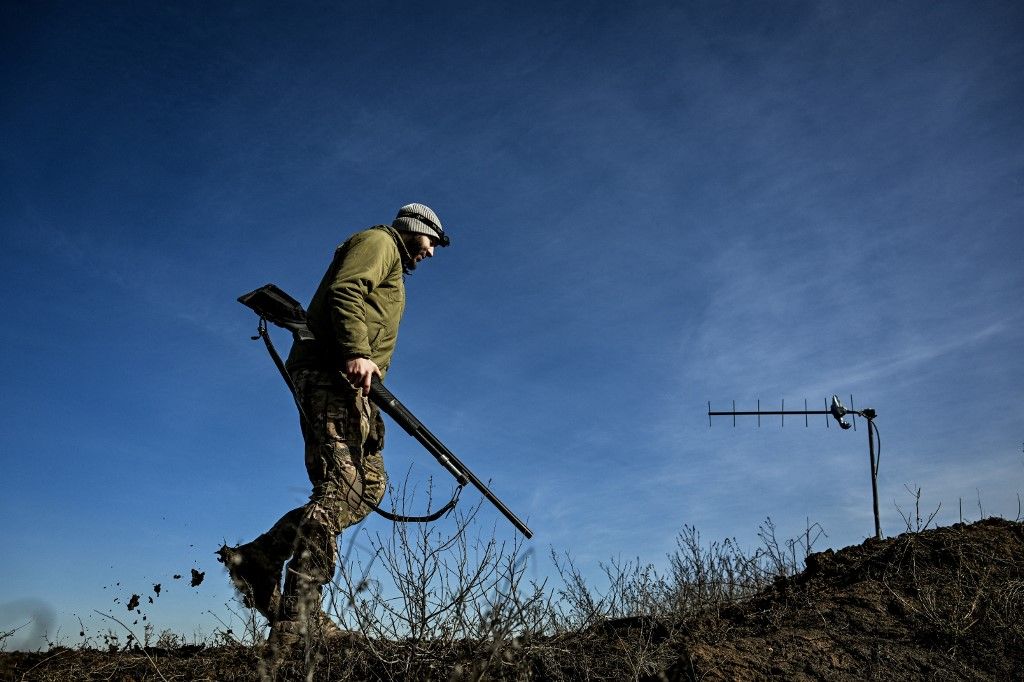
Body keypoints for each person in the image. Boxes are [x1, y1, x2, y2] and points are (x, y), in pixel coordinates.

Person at [217, 203, 449, 647]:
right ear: (417, 229)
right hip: (330, 372)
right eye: (433, 241)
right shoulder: (379, 242)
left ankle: (262, 555)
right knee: (339, 486)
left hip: (353, 384)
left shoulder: (395, 268)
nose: (433, 253)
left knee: (369, 485)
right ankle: (301, 613)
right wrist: (356, 351)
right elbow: (346, 292)